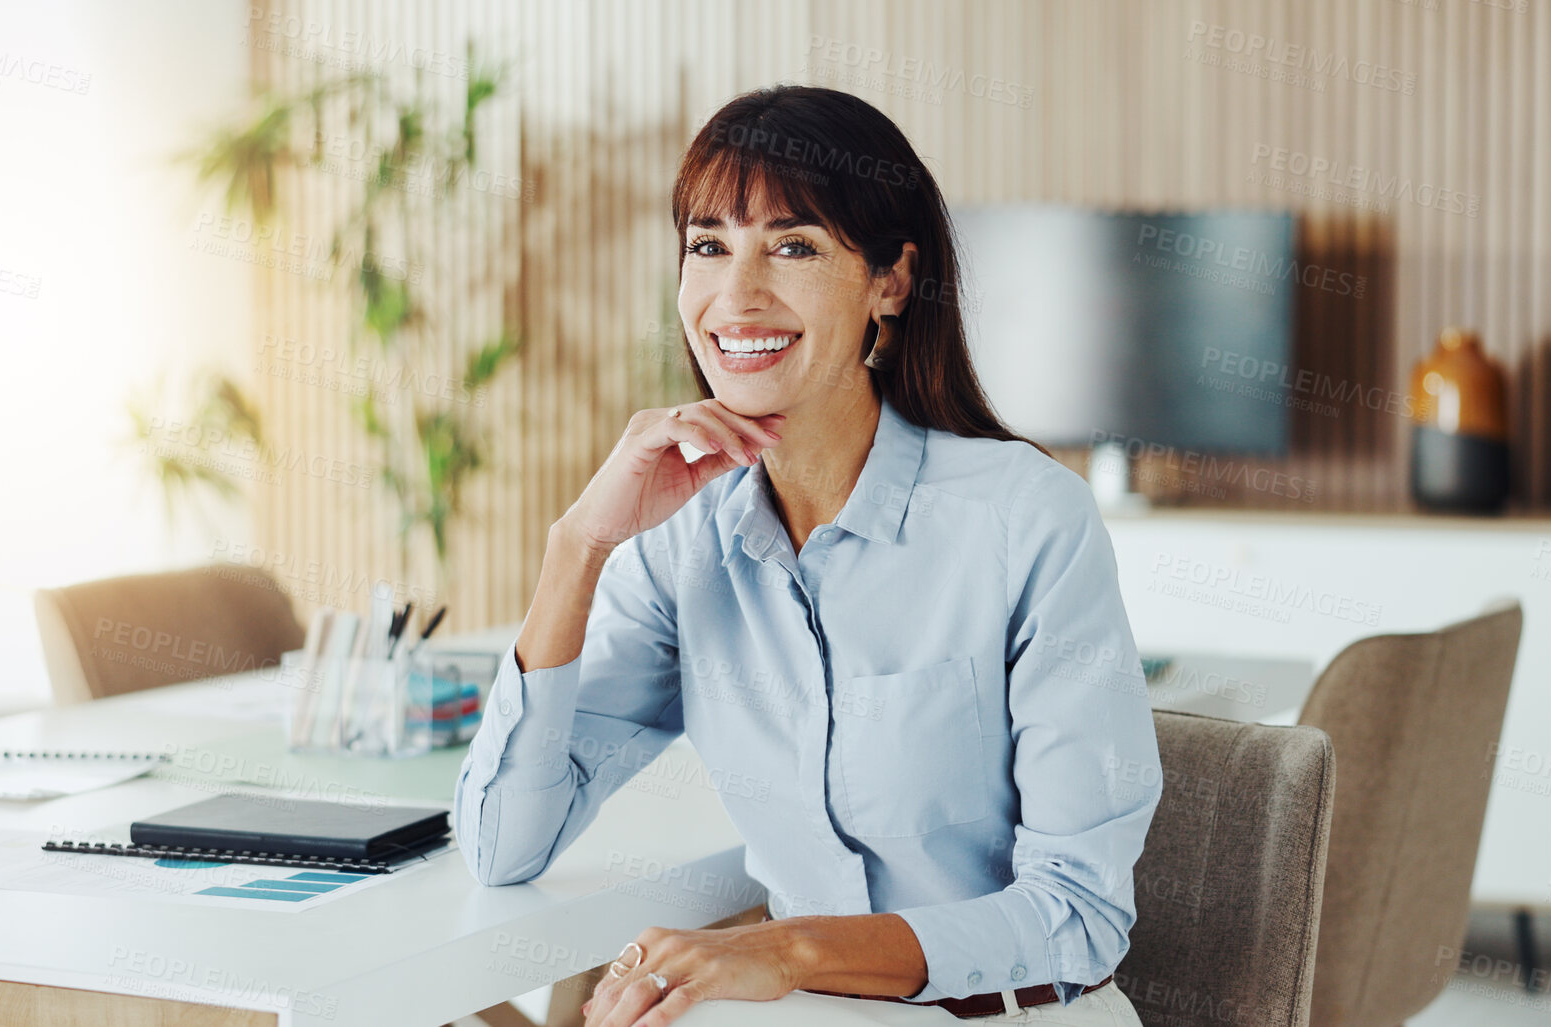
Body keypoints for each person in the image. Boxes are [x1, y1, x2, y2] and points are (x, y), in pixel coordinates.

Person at [454, 84, 1158, 1027]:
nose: (736, 295)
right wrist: (577, 545)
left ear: (891, 281)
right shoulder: (685, 541)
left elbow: (1078, 915)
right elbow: (503, 845)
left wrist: (785, 949)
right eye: (709, 245)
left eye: (793, 247)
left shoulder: (1024, 518)